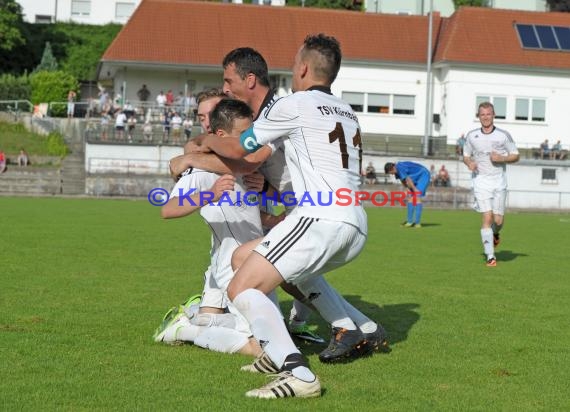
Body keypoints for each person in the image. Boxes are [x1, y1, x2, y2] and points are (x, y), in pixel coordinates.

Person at [172, 48, 386, 360]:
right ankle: (361, 328)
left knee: (245, 279)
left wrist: (194, 152)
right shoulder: (344, 110)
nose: (226, 88)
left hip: (316, 216)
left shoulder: (287, 106)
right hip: (347, 215)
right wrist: (268, 190)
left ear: (302, 70)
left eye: (229, 80)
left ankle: (289, 363)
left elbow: (247, 159)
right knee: (281, 270)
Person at [154, 99, 268, 357]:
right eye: (242, 134)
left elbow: (248, 217)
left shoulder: (246, 168)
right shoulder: (199, 169)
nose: (249, 139)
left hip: (260, 261)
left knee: (273, 333)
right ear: (220, 136)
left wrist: (276, 220)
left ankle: (197, 319)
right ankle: (183, 330)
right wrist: (210, 195)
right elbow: (168, 209)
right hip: (232, 267)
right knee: (261, 347)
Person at [463, 101, 519, 267]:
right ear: (478, 117)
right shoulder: (472, 136)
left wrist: (501, 158)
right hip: (480, 181)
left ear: (493, 115)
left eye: (489, 114)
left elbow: (516, 155)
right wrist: (469, 163)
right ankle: (490, 256)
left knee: (498, 221)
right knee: (487, 217)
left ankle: (495, 234)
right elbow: (466, 155)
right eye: (482, 114)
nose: (486, 117)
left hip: (499, 182)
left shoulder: (503, 135)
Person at [384, 161, 430, 228]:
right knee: (411, 199)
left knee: (416, 197)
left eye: (391, 173)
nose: (391, 174)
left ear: (392, 168)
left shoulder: (399, 167)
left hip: (423, 175)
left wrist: (414, 189)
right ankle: (410, 222)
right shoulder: (396, 171)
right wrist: (407, 189)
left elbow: (408, 179)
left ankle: (417, 223)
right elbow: (402, 180)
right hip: (415, 177)